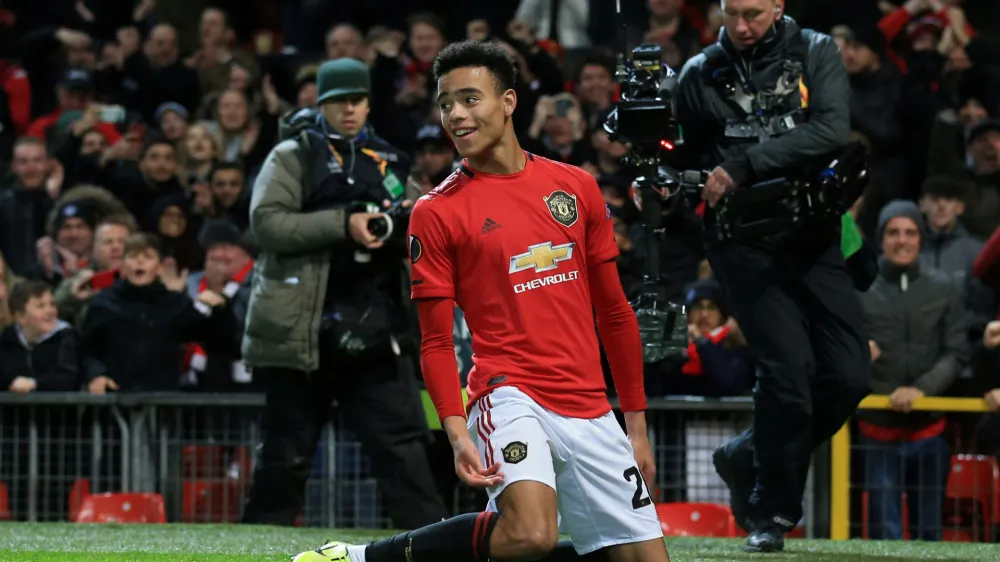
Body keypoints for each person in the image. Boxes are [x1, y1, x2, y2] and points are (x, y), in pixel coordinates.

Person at [293, 40, 670, 562]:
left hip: (589, 404)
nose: (455, 115)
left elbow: (614, 312)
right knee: (530, 533)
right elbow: (435, 337)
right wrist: (455, 432)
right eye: (446, 102)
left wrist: (636, 423)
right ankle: (362, 559)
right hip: (507, 392)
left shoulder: (575, 187)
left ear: (509, 101)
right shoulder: (436, 211)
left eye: (470, 99)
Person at [673, 0, 872, 552]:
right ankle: (772, 512)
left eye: (754, 13)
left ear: (779, 6)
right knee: (789, 375)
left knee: (851, 375)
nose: (741, 26)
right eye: (732, 12)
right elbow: (682, 157)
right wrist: (671, 181)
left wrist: (743, 164)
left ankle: (745, 454)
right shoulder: (697, 72)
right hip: (741, 244)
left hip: (813, 234)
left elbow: (832, 131)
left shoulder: (816, 50)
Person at [240, 57, 447, 529]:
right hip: (302, 332)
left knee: (405, 457)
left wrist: (408, 222)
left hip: (376, 330)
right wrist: (343, 223)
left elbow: (419, 227)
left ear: (369, 102)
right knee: (283, 463)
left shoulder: (389, 160)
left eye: (356, 100)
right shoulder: (293, 154)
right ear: (320, 102)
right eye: (338, 102)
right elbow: (266, 223)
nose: (349, 110)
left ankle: (437, 551)